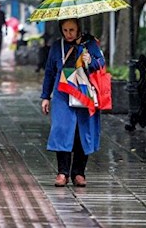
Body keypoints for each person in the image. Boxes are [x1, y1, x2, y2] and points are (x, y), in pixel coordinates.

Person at [40, 18, 105, 187]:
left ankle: (79, 172)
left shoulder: (90, 44)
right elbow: (49, 72)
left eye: (72, 30)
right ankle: (62, 172)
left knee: (82, 131)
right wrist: (45, 96)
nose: (69, 34)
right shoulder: (57, 47)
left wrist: (89, 61)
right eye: (65, 30)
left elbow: (101, 63)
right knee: (62, 130)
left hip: (84, 93)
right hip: (62, 94)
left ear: (78, 29)